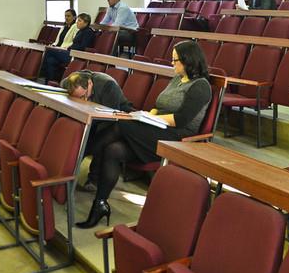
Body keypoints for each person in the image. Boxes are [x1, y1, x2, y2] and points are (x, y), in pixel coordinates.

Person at [75, 41, 212, 228]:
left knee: (120, 124)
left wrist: (152, 118)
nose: (172, 63)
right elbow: (159, 105)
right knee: (113, 150)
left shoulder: (201, 86)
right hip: (156, 129)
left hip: (176, 138)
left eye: (175, 60)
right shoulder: (177, 79)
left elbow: (181, 119)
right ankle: (99, 205)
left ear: (188, 60)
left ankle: (79, 159)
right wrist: (148, 115)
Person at [62, 69, 134, 192]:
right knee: (75, 131)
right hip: (92, 115)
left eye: (84, 95)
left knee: (100, 138)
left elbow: (111, 117)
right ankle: (65, 173)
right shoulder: (71, 81)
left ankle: (93, 179)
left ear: (90, 83)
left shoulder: (108, 85)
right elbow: (63, 84)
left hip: (117, 117)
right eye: (79, 97)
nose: (84, 99)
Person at [41, 13, 96, 82]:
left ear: (86, 23)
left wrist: (70, 48)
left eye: (79, 21)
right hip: (71, 52)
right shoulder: (80, 31)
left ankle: (41, 73)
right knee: (51, 60)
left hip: (76, 56)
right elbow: (75, 44)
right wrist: (70, 47)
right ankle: (50, 82)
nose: (77, 23)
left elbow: (83, 47)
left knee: (49, 50)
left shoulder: (88, 32)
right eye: (77, 20)